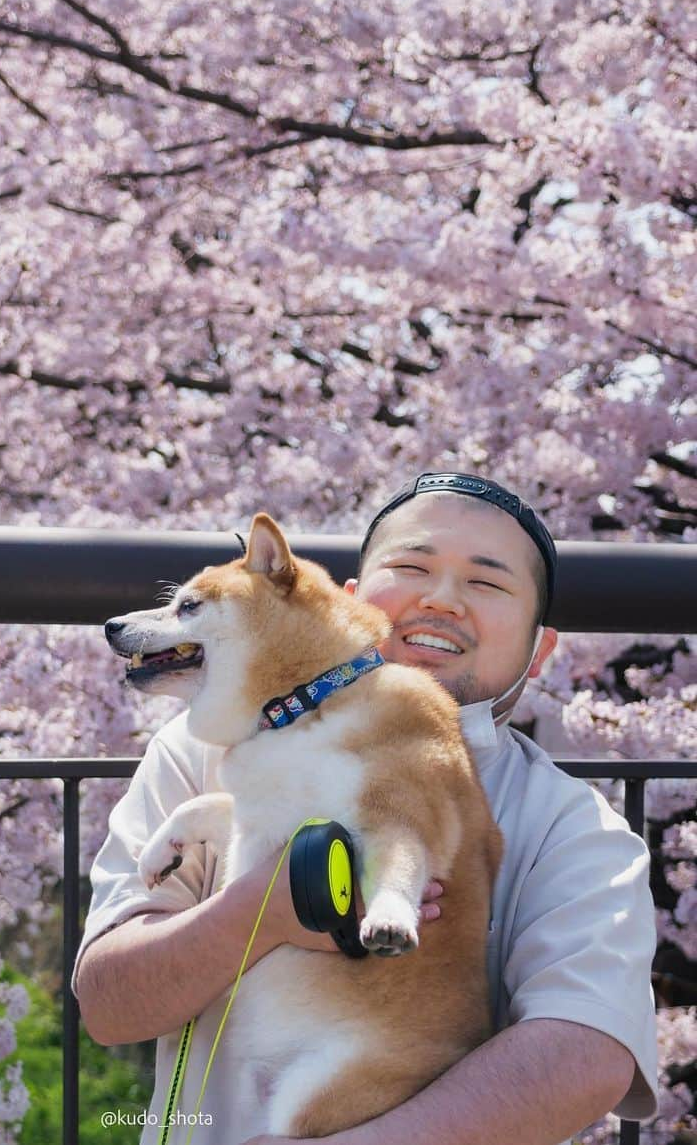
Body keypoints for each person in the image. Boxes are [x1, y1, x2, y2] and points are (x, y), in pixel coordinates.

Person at [72, 473, 659, 1145]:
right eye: (412, 567)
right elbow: (112, 1004)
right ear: (345, 600)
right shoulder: (197, 749)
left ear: (540, 648)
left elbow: (587, 1055)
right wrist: (264, 911)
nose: (442, 599)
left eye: (487, 582)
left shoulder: (576, 829)